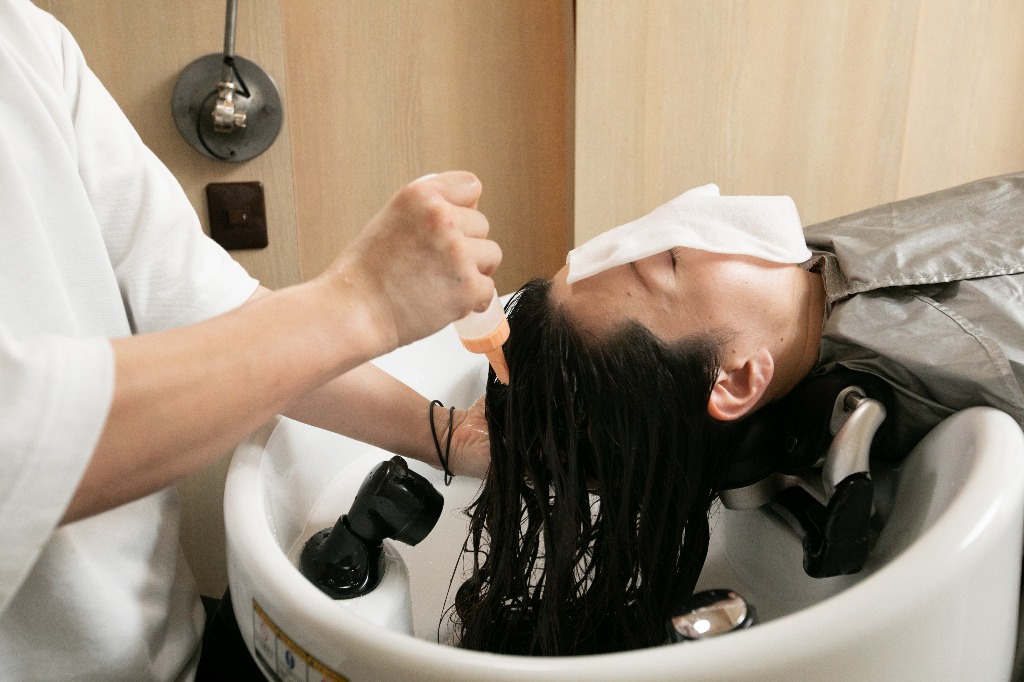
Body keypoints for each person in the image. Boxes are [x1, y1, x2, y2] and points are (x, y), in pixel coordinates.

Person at [0, 1, 491, 679]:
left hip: (166, 646)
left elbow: (218, 321)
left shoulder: (23, 38)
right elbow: (22, 442)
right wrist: (359, 304)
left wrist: (450, 435)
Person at [453, 171, 1024, 655]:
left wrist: (458, 434)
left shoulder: (784, 284)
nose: (690, 208)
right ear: (738, 379)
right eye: (668, 260)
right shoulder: (979, 360)